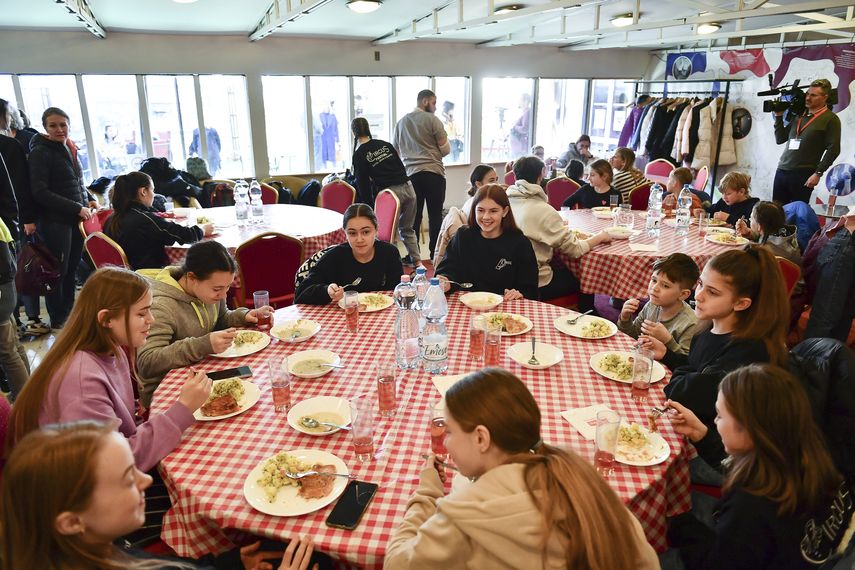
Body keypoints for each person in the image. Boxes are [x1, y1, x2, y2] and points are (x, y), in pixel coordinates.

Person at [384, 368, 659, 569]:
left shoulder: (466, 514)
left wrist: (427, 492)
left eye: (450, 431)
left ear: (481, 438)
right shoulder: (577, 473)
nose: (445, 441)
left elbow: (396, 563)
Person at [1, 421, 319, 570]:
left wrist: (229, 564)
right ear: (72, 522)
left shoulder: (99, 549)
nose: (146, 480)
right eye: (128, 478)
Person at [6, 267, 211, 471]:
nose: (152, 319)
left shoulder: (112, 349)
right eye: (142, 313)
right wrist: (183, 408)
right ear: (106, 319)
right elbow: (114, 463)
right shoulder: (81, 381)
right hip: (76, 485)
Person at [666, 364, 845, 569]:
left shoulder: (750, 505)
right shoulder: (817, 460)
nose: (715, 421)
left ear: (750, 429)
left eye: (720, 415)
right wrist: (702, 435)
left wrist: (677, 524)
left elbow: (716, 564)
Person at [644, 246, 789, 458]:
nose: (699, 296)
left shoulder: (748, 352)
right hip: (696, 427)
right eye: (701, 284)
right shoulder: (709, 327)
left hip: (723, 456)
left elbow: (682, 391)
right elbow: (696, 368)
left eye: (712, 292)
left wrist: (687, 376)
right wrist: (669, 355)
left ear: (741, 303)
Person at [136, 241, 269, 407]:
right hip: (166, 395)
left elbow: (220, 319)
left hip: (203, 375)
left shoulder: (208, 292)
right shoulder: (161, 305)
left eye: (228, 287)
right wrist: (202, 345)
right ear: (191, 277)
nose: (223, 296)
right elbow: (147, 362)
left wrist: (244, 316)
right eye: (217, 289)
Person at [27, 107, 99, 329]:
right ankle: (58, 318)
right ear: (45, 128)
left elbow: (75, 182)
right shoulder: (41, 152)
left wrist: (89, 199)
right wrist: (77, 207)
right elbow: (39, 191)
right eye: (53, 125)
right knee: (57, 272)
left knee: (71, 269)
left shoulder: (68, 147)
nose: (59, 129)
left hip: (74, 220)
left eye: (63, 124)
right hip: (54, 221)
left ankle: (69, 314)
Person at [506, 156, 610, 301]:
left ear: (515, 175)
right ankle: (587, 311)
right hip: (535, 281)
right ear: (542, 174)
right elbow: (575, 250)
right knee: (582, 276)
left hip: (505, 275)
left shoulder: (504, 202)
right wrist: (600, 237)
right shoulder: (543, 210)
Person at [435, 184, 538, 301]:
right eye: (480, 210)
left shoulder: (520, 243)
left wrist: (519, 293)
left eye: (493, 211)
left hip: (504, 306)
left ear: (505, 211)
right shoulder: (463, 236)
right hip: (467, 303)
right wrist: (446, 280)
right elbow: (448, 269)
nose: (486, 217)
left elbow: (530, 288)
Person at [295, 203, 403, 305]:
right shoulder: (334, 257)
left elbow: (399, 292)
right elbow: (301, 294)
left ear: (376, 230)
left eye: (366, 232)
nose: (359, 239)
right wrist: (326, 290)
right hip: (342, 316)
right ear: (345, 233)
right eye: (352, 233)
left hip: (381, 314)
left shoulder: (389, 253)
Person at [349, 117, 421, 268]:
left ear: (353, 133)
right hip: (409, 188)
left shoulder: (359, 154)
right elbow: (401, 167)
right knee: (407, 228)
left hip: (390, 195)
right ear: (368, 128)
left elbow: (363, 186)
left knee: (387, 234)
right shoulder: (385, 145)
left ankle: (392, 266)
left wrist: (369, 208)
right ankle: (418, 262)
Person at [104, 171, 212, 270]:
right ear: (143, 192)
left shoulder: (111, 219)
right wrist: (202, 230)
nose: (154, 194)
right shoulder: (144, 219)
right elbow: (185, 235)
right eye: (152, 190)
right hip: (149, 274)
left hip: (125, 273)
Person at [393, 89, 451, 260]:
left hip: (411, 176)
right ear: (425, 101)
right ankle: (435, 253)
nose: (435, 107)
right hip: (434, 174)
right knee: (435, 215)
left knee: (413, 217)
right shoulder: (433, 120)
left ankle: (414, 255)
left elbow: (395, 151)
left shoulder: (401, 123)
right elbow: (446, 149)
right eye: (434, 102)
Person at [773, 78, 841, 205]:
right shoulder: (799, 115)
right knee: (776, 211)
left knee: (798, 212)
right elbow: (780, 138)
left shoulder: (831, 119)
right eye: (808, 94)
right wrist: (778, 116)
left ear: (825, 97)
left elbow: (834, 149)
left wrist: (818, 173)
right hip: (782, 170)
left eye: (813, 95)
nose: (808, 98)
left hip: (803, 173)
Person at [618, 253, 701, 356]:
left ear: (683, 294)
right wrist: (625, 318)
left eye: (665, 286)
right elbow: (634, 337)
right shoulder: (652, 305)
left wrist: (668, 341)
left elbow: (686, 361)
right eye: (654, 280)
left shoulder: (690, 323)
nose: (655, 288)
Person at [0, 216, 29, 400]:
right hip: (7, 287)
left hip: (2, 287)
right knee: (13, 345)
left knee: (7, 352)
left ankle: (24, 399)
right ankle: (28, 391)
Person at [735, 200, 802, 268]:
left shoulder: (763, 252)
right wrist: (747, 233)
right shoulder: (783, 233)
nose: (749, 219)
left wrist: (744, 244)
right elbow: (764, 238)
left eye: (751, 218)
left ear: (759, 226)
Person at [508, 93, 531, 158]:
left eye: (520, 99)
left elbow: (525, 128)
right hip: (516, 146)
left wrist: (514, 126)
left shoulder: (527, 112)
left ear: (526, 101)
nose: (519, 101)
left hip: (520, 147)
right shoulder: (523, 112)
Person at [319, 101, 339, 170]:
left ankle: (334, 165)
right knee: (324, 151)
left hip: (331, 136)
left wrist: (337, 139)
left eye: (327, 106)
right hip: (323, 136)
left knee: (331, 151)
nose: (326, 108)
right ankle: (324, 165)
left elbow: (336, 128)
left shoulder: (333, 116)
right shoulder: (320, 116)